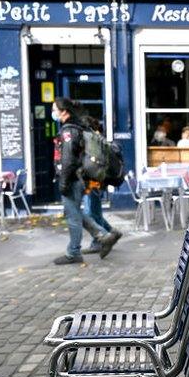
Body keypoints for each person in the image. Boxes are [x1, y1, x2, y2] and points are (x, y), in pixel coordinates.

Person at [52, 98, 119, 265]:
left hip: (73, 179)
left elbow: (68, 160)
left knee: (72, 216)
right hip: (79, 178)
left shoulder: (69, 131)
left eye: (54, 109)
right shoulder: (79, 127)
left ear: (64, 111)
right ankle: (103, 236)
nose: (53, 112)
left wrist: (64, 182)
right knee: (75, 212)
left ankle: (74, 251)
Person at [80, 115, 122, 256]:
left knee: (88, 213)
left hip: (92, 181)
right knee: (94, 212)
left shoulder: (91, 140)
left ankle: (102, 238)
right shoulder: (98, 139)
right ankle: (112, 233)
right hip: (99, 181)